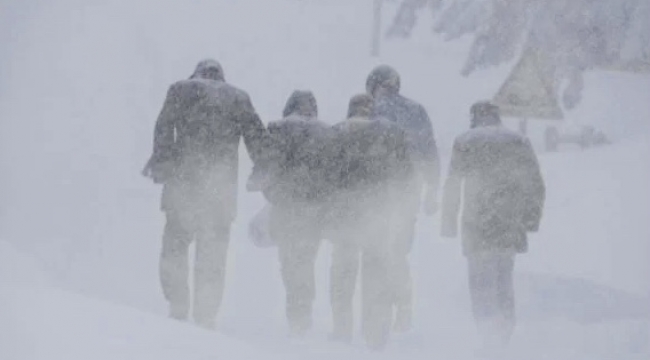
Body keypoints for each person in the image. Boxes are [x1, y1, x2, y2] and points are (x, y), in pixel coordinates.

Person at [142, 59, 270, 329]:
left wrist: (162, 161)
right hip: (219, 194)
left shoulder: (181, 90)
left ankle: (177, 304)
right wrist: (263, 169)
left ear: (196, 73)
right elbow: (257, 138)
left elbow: (163, 126)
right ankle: (206, 313)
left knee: (174, 248)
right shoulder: (237, 97)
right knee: (212, 256)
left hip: (181, 187)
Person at [440, 101, 545, 348]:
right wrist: (530, 220)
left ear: (474, 117)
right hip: (509, 223)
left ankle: (487, 333)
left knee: (479, 282)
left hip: (477, 224)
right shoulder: (518, 141)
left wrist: (449, 224)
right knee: (503, 279)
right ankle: (505, 331)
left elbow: (453, 186)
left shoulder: (466, 141)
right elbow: (535, 183)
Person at [327, 94, 413, 349]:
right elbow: (405, 176)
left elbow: (323, 175)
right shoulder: (390, 133)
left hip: (344, 217)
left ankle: (342, 330)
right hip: (379, 215)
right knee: (376, 274)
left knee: (342, 276)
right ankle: (376, 333)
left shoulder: (336, 133)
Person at [366, 65, 440, 331]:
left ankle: (378, 308)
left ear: (373, 86)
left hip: (375, 195)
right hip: (408, 193)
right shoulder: (417, 111)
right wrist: (432, 189)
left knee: (376, 251)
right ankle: (403, 307)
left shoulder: (370, 110)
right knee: (398, 252)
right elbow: (430, 151)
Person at [258, 90, 330, 336]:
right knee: (306, 262)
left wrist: (276, 197)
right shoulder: (326, 133)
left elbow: (266, 171)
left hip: (286, 211)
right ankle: (304, 310)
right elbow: (334, 174)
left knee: (290, 264)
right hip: (314, 214)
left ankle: (296, 312)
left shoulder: (278, 130)